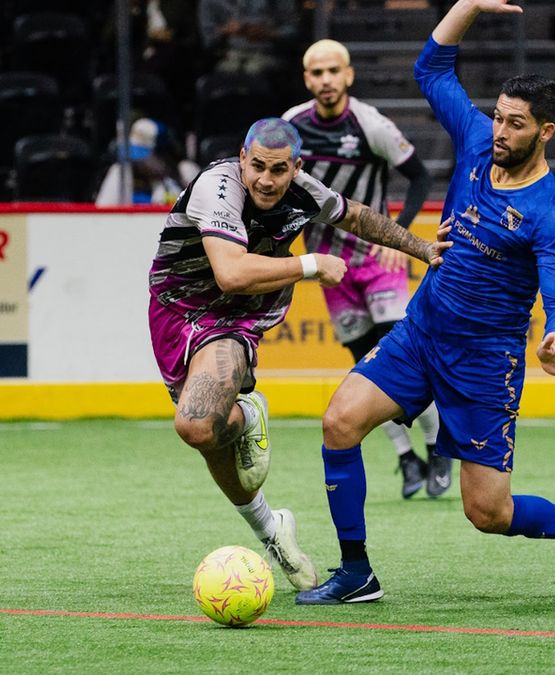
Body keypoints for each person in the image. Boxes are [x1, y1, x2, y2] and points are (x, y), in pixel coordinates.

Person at [296, 0, 555, 605]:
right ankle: (357, 571)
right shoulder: (474, 140)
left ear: (545, 132)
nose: (500, 130)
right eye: (498, 117)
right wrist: (466, 5)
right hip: (421, 333)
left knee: (487, 511)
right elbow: (431, 69)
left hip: (486, 363)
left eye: (516, 124)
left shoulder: (547, 212)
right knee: (339, 422)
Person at [147, 117, 451, 592]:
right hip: (175, 307)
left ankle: (246, 416)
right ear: (243, 159)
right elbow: (229, 271)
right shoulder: (217, 186)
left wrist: (419, 246)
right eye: (259, 168)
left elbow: (355, 216)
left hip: (233, 320)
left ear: (296, 167)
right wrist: (312, 264)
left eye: (280, 170)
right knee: (205, 432)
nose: (267, 180)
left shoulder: (300, 189)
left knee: (195, 423)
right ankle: (272, 528)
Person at [283, 39, 448, 500]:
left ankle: (436, 447)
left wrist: (402, 234)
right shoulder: (292, 127)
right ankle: (405, 458)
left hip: (378, 260)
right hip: (332, 266)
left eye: (334, 71)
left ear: (349, 75)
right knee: (363, 365)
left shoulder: (370, 123)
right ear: (307, 79)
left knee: (398, 359)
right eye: (317, 73)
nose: (326, 80)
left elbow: (421, 176)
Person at [95, 118, 197, 206]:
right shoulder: (122, 172)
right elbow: (103, 215)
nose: (137, 161)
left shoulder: (185, 172)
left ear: (163, 155)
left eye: (144, 156)